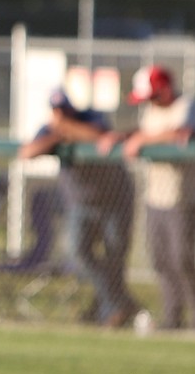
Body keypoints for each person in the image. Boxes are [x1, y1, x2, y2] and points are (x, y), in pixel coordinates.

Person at [19, 88, 138, 327]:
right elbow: (27, 152)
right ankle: (118, 304)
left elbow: (100, 136)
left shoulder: (91, 116)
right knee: (79, 254)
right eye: (56, 110)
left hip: (113, 200)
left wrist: (66, 129)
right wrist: (57, 136)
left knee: (115, 256)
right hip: (80, 204)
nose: (60, 114)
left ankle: (108, 310)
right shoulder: (51, 130)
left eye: (64, 108)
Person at [98, 65, 195, 330]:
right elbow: (143, 130)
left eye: (152, 95)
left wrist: (142, 139)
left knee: (183, 260)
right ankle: (173, 319)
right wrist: (122, 135)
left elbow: (179, 133)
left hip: (182, 199)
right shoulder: (153, 109)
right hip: (155, 197)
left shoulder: (186, 106)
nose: (150, 101)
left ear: (164, 89)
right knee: (161, 260)